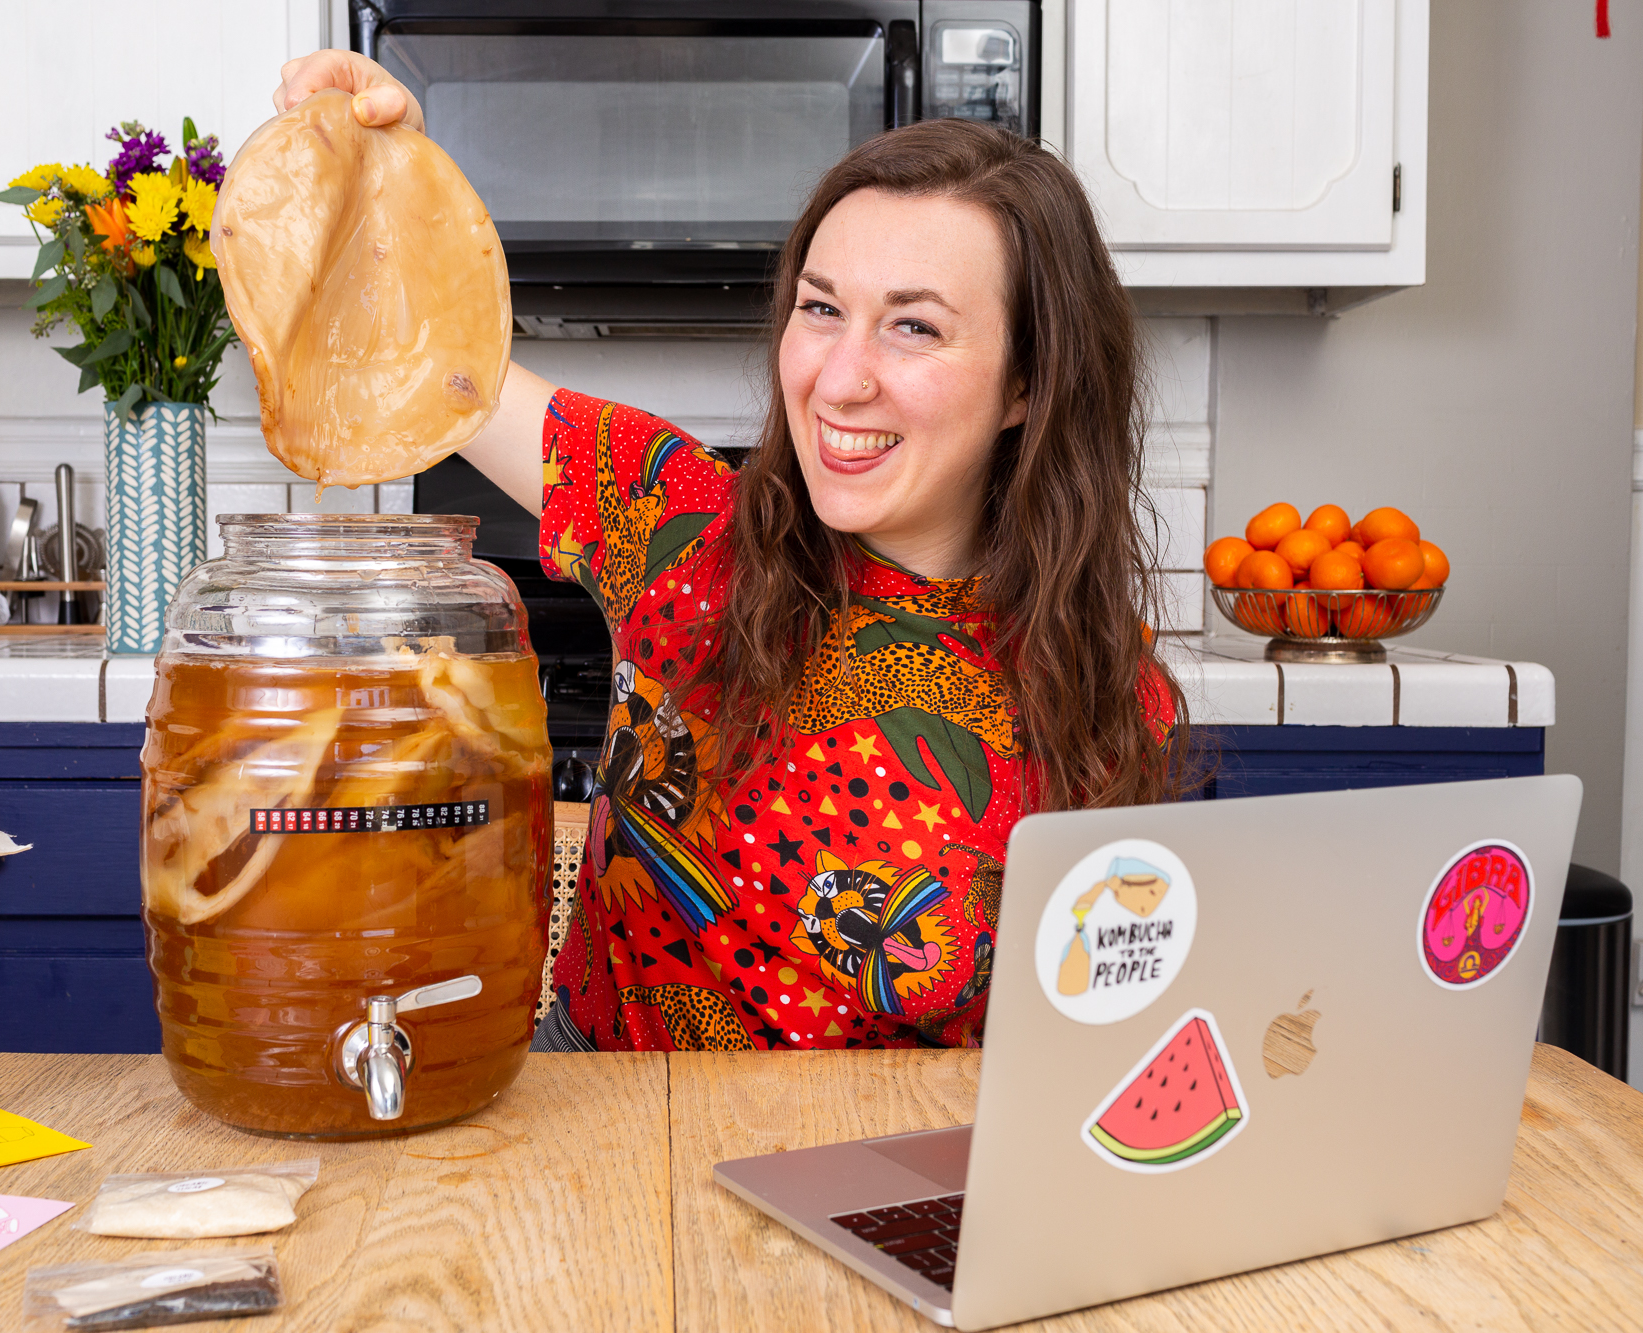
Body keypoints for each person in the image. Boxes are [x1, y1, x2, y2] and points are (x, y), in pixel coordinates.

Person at [272, 52, 1186, 1053]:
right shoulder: (679, 525)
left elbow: (1088, 1052)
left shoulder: (1106, 694)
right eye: (820, 306)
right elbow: (424, 354)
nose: (839, 380)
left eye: (912, 326)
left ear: (1026, 385)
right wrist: (375, 174)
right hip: (594, 1132)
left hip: (877, 1178)